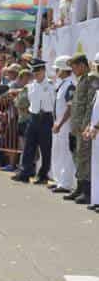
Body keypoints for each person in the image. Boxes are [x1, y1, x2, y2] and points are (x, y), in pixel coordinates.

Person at [11, 60, 55, 184]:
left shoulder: (51, 85)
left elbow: (54, 105)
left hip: (46, 117)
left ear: (43, 71)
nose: (35, 74)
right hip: (33, 117)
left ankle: (43, 175)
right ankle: (25, 172)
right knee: (28, 146)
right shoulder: (31, 86)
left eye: (38, 71)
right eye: (34, 71)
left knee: (45, 148)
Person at [63, 53, 99, 204]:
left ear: (82, 65)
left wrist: (85, 125)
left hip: (84, 126)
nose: (73, 70)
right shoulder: (82, 79)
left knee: (85, 158)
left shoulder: (91, 79)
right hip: (77, 125)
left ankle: (87, 190)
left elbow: (90, 106)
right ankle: (80, 187)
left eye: (74, 67)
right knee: (79, 157)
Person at [50, 56, 77, 193]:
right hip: (59, 124)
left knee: (66, 153)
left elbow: (70, 107)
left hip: (65, 126)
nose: (55, 71)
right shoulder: (62, 84)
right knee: (58, 152)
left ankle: (65, 183)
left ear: (63, 69)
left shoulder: (70, 85)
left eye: (57, 69)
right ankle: (59, 180)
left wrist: (59, 124)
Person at [87, 52, 99, 210]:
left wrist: (95, 127)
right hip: (96, 132)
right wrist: (89, 126)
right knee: (96, 166)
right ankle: (96, 200)